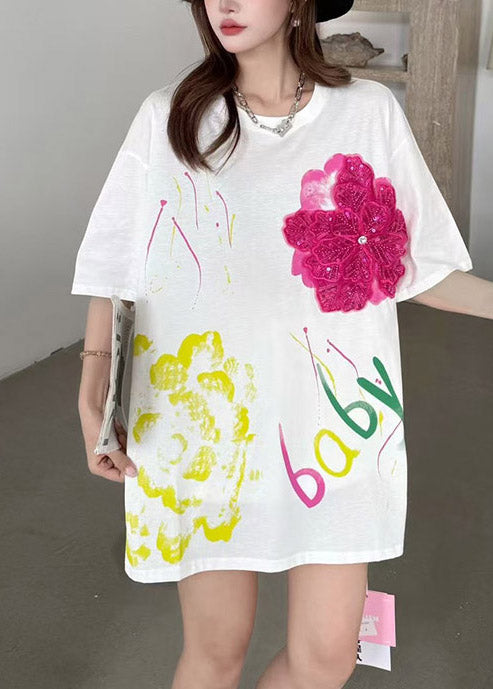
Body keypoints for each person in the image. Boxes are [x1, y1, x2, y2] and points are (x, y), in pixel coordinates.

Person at [70, 1, 493, 687]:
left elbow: (417, 266)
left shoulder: (367, 113)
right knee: (216, 652)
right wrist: (94, 389)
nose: (225, 3)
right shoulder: (171, 117)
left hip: (333, 432)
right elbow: (116, 267)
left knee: (326, 657)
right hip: (207, 432)